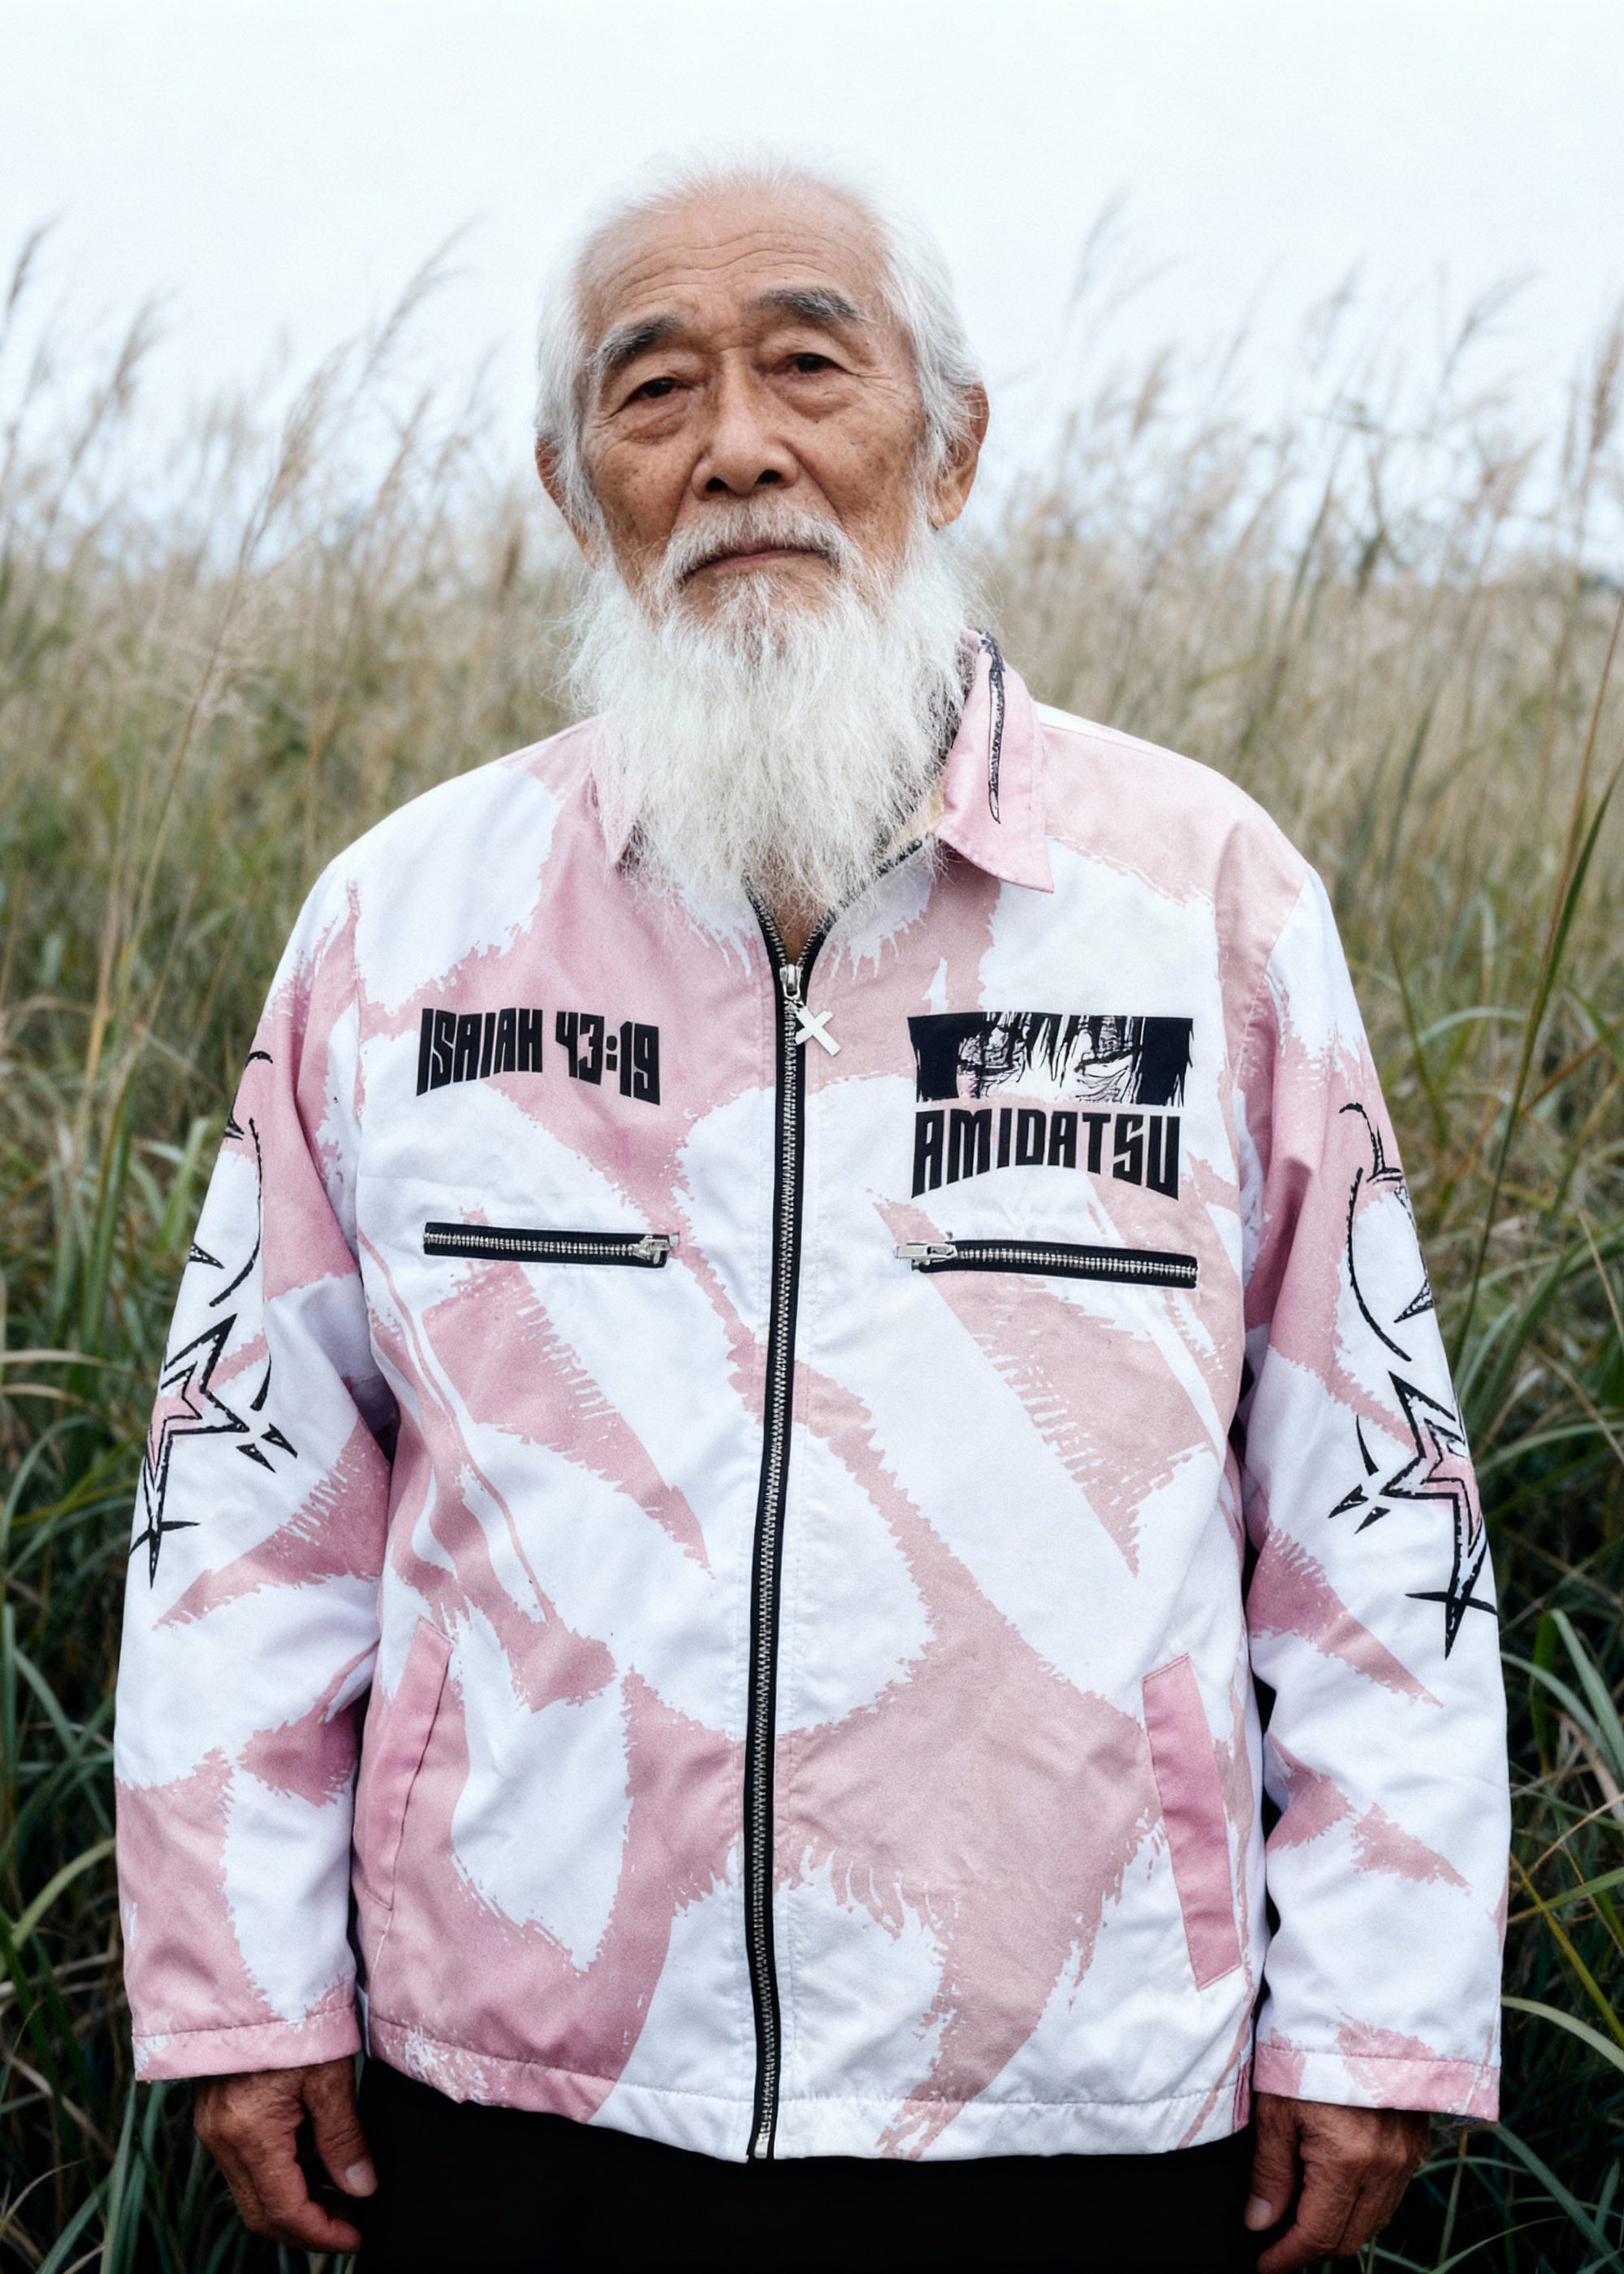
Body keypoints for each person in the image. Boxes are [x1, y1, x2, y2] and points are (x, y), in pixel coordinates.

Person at [113, 152, 1509, 2273]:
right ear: (573, 485)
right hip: (516, 2095)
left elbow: (1370, 1496)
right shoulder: (406, 928)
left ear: (950, 444)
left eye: (808, 366)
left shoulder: (1200, 906)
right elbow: (248, 1488)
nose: (739, 447)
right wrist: (241, 1981)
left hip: (1081, 2098)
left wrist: (1377, 2011)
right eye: (654, 389)